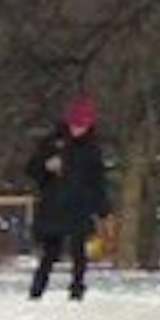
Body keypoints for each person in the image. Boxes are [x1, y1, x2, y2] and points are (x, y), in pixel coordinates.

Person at [24, 99, 113, 302]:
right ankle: (37, 290)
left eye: (82, 125)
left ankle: (77, 290)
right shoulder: (52, 142)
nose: (77, 129)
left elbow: (98, 181)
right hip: (53, 204)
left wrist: (103, 210)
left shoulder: (92, 149)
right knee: (50, 252)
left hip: (80, 206)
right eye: (75, 124)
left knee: (79, 251)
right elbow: (31, 169)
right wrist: (45, 167)